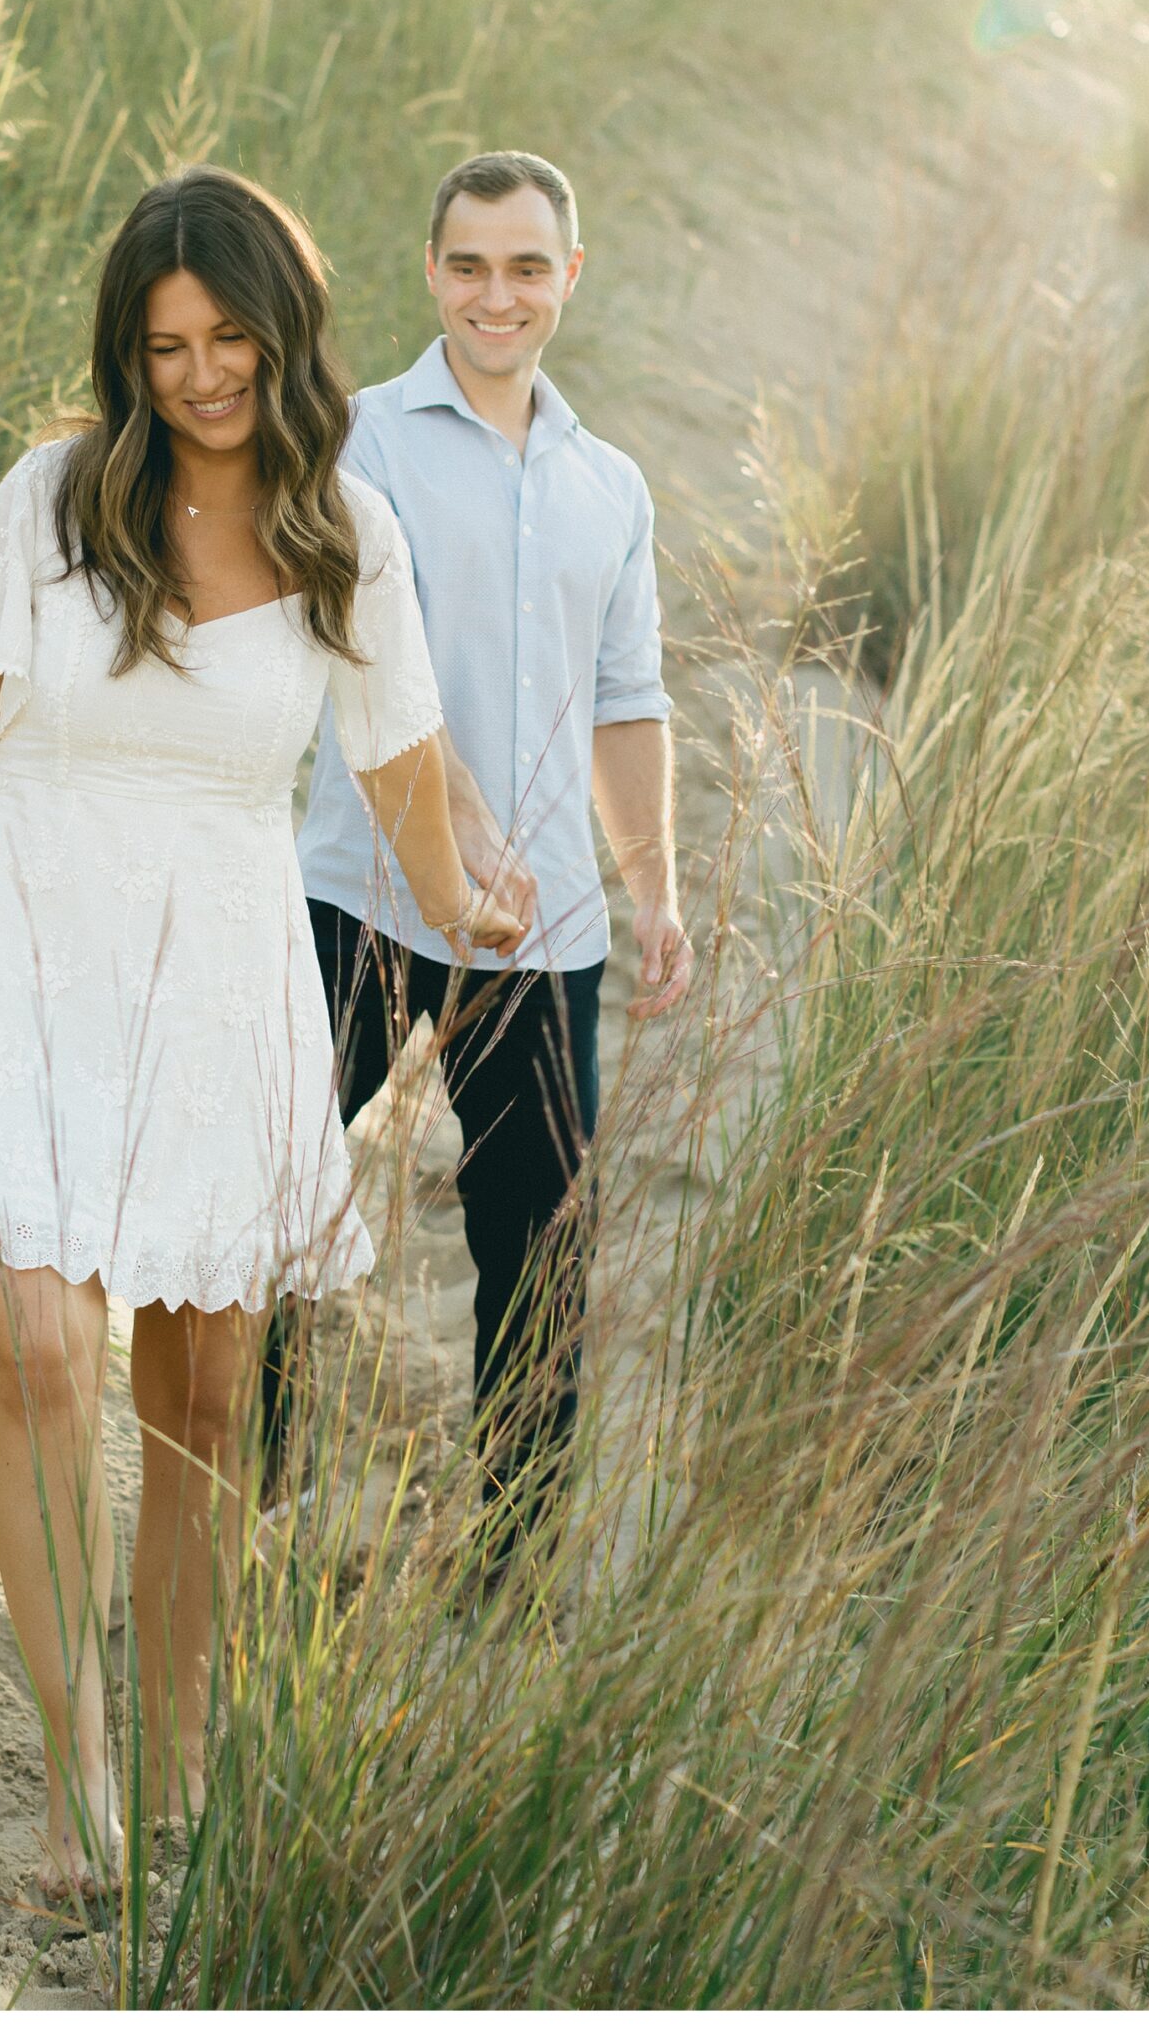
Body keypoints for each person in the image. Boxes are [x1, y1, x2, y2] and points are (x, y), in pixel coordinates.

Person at [0, 166, 523, 1903]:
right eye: (165, 345)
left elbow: (400, 766)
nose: (201, 374)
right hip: (30, 959)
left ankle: (183, 1730)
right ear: (129, 356)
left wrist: (465, 900)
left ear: (286, 337)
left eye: (228, 339)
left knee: (200, 1400)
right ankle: (77, 1778)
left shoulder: (349, 533)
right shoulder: (51, 504)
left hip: (224, 984)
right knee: (40, 1352)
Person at [279, 148, 693, 1585]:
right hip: (359, 889)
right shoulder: (361, 442)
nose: (496, 294)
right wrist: (446, 827)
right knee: (276, 1196)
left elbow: (629, 700)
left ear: (568, 279)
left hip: (545, 927)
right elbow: (342, 650)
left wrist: (656, 886)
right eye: (469, 265)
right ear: (434, 274)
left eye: (527, 267)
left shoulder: (609, 485)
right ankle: (242, 1510)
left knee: (541, 1251)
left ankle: (513, 1569)